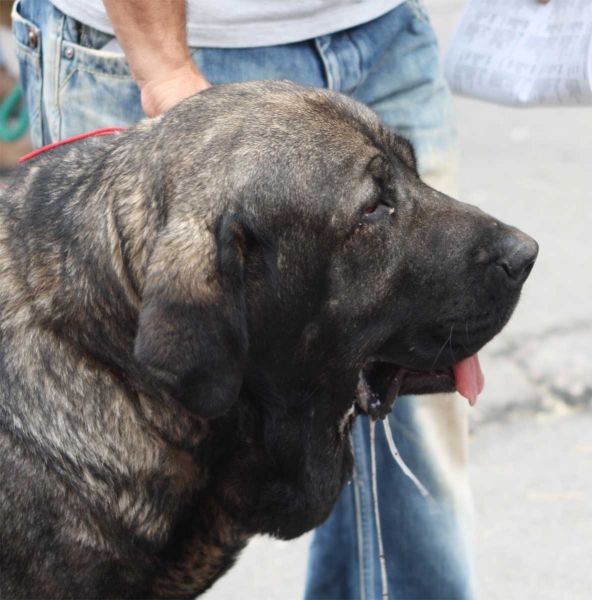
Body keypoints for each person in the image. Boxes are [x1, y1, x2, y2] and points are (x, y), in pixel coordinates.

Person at [10, 0, 550, 597]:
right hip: (154, 45)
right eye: (377, 211)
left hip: (380, 24)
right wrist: (163, 70)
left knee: (417, 469)